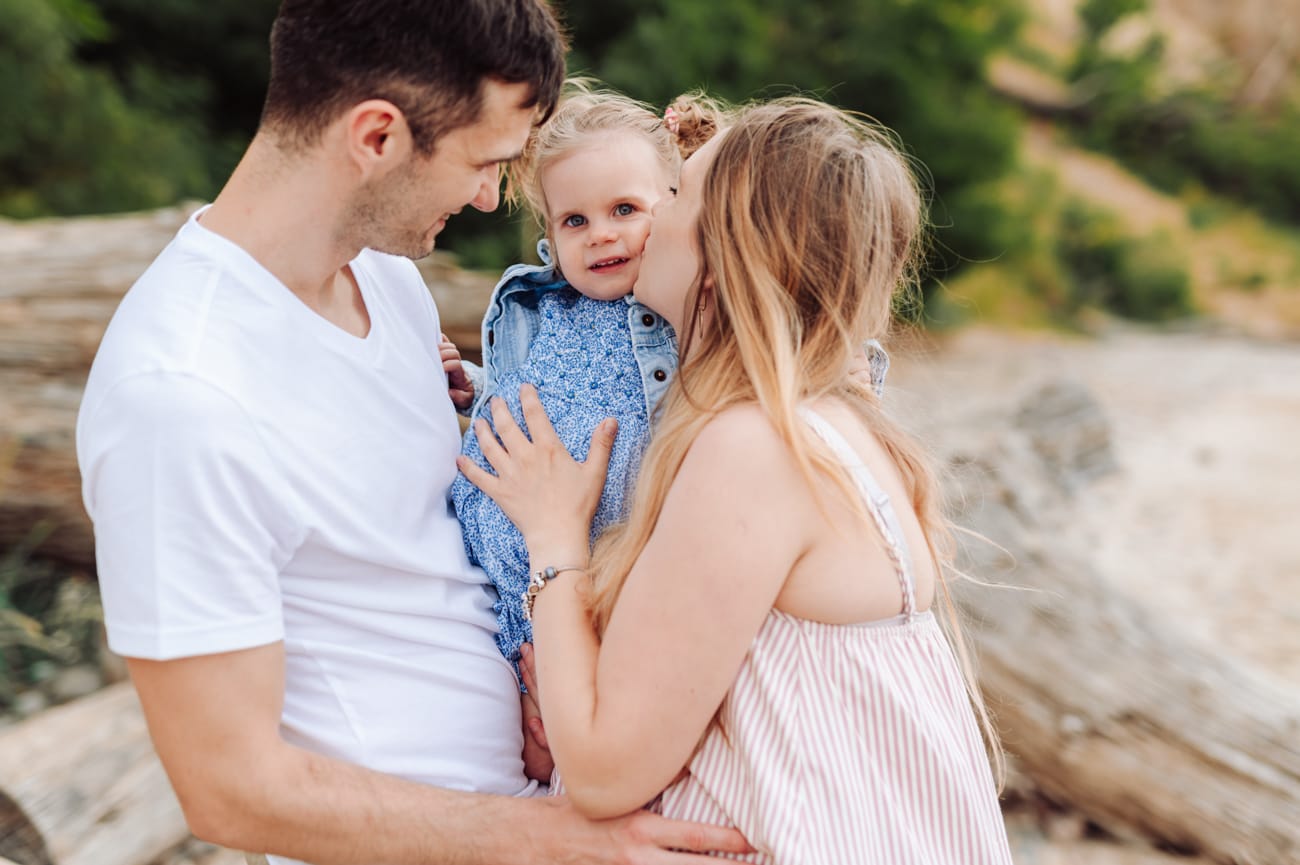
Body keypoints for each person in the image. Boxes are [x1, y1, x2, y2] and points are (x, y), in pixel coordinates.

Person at [74, 1, 749, 863]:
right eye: (484, 163)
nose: (488, 197)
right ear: (378, 137)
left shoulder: (386, 280)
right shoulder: (177, 393)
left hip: (568, 788)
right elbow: (229, 789)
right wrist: (547, 841)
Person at [459, 97, 1016, 863]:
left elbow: (602, 769)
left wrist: (554, 540)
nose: (647, 219)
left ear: (721, 259)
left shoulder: (751, 451)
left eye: (678, 194)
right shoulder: (816, 418)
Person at [451, 84, 690, 686]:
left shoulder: (683, 311)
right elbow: (531, 393)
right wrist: (474, 388)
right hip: (509, 593)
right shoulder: (543, 307)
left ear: (675, 204)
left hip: (608, 586)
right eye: (575, 220)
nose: (600, 234)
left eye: (624, 210)